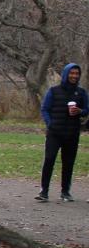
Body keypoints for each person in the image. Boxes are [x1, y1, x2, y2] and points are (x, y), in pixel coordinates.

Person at [36, 63, 88, 202]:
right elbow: (45, 109)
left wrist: (80, 111)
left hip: (72, 133)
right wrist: (50, 123)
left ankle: (65, 192)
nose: (74, 76)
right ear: (66, 74)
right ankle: (44, 191)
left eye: (77, 73)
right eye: (72, 73)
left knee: (68, 162)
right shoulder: (54, 91)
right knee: (49, 159)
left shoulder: (81, 92)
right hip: (55, 133)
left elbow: (86, 110)